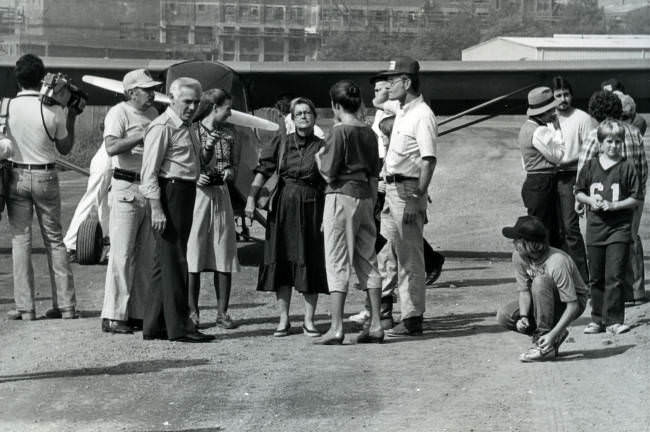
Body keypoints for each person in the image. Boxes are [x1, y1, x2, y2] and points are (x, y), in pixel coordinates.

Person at [140, 77, 215, 343]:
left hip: (183, 193)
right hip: (169, 193)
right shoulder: (162, 127)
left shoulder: (187, 126)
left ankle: (154, 325)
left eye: (196, 102)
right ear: (172, 99)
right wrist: (157, 208)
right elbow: (148, 174)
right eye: (187, 101)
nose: (192, 106)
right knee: (176, 263)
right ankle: (180, 327)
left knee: (166, 263)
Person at [245, 97, 327, 337]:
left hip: (313, 207)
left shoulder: (323, 145)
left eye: (307, 113)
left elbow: (330, 178)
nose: (303, 116)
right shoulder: (281, 141)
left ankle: (309, 320)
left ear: (314, 117)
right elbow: (263, 172)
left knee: (310, 261)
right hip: (283, 208)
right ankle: (283, 319)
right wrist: (251, 199)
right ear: (291, 118)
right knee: (281, 261)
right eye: (298, 113)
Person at [5, 54, 79, 320]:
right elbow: (65, 148)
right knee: (55, 240)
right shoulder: (54, 109)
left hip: (15, 176)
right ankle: (66, 305)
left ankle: (26, 308)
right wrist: (70, 119)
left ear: (17, 77)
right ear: (42, 78)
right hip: (46, 175)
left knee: (21, 240)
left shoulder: (6, 106)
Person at [314, 80, 383, 345]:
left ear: (335, 105)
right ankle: (376, 324)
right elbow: (375, 174)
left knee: (336, 260)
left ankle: (336, 327)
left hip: (340, 196)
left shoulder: (338, 131)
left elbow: (329, 171)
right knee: (368, 259)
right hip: (365, 197)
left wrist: (320, 158)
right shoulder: (370, 133)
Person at [373, 56, 437, 337]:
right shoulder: (402, 110)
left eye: (392, 80)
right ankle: (386, 311)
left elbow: (428, 160)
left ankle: (412, 318)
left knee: (410, 257)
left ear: (407, 82)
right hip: (391, 188)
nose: (386, 86)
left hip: (408, 189)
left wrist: (416, 196)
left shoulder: (422, 115)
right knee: (387, 252)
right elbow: (378, 103)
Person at [100, 69, 160, 334]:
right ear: (131, 92)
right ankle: (114, 315)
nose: (152, 93)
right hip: (125, 186)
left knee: (146, 254)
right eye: (146, 89)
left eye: (152, 88)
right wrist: (143, 134)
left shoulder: (154, 114)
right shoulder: (119, 113)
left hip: (147, 186)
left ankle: (137, 311)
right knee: (122, 254)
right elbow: (111, 147)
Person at [578, 91, 647, 304]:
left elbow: (584, 167)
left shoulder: (596, 135)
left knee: (603, 244)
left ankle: (607, 296)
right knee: (631, 239)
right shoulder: (635, 132)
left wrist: (580, 201)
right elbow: (643, 168)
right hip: (631, 197)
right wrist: (639, 193)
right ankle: (635, 291)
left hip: (602, 198)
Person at [576, 119, 641, 335]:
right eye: (609, 141)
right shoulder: (590, 165)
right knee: (596, 276)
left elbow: (635, 198)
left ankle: (613, 320)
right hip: (595, 228)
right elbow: (579, 191)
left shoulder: (627, 166)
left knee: (614, 275)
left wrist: (614, 205)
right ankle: (597, 319)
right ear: (601, 143)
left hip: (619, 228)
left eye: (617, 142)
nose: (613, 146)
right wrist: (589, 201)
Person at [496, 215, 587, 362]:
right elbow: (524, 291)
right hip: (541, 298)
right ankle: (553, 338)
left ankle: (545, 344)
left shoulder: (557, 262)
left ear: (530, 244)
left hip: (571, 302)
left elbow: (573, 306)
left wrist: (551, 334)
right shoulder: (518, 256)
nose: (513, 243)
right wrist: (523, 317)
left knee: (540, 282)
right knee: (504, 315)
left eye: (517, 240)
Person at [187, 89, 241, 330]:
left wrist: (229, 172)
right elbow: (184, 163)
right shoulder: (191, 131)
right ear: (214, 107)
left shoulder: (230, 133)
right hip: (197, 196)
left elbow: (232, 165)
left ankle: (222, 312)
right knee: (194, 251)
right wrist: (195, 178)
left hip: (221, 195)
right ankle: (192, 312)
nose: (229, 113)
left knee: (224, 251)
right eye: (227, 108)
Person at [550, 76, 595, 284]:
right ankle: (561, 276)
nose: (562, 99)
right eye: (558, 95)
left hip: (571, 176)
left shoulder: (582, 118)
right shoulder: (548, 118)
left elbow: (590, 153)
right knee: (554, 228)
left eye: (566, 94)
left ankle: (582, 279)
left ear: (572, 95)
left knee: (570, 228)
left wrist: (581, 184)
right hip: (550, 176)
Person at [518, 87, 565, 248]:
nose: (554, 112)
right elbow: (558, 156)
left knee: (539, 226)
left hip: (532, 181)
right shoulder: (540, 131)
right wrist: (558, 130)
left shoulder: (526, 128)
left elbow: (525, 162)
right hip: (544, 183)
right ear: (544, 111)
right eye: (551, 109)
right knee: (546, 229)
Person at [62, 143, 111, 263]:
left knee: (107, 204)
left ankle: (105, 244)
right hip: (107, 161)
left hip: (113, 161)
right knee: (90, 202)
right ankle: (70, 245)